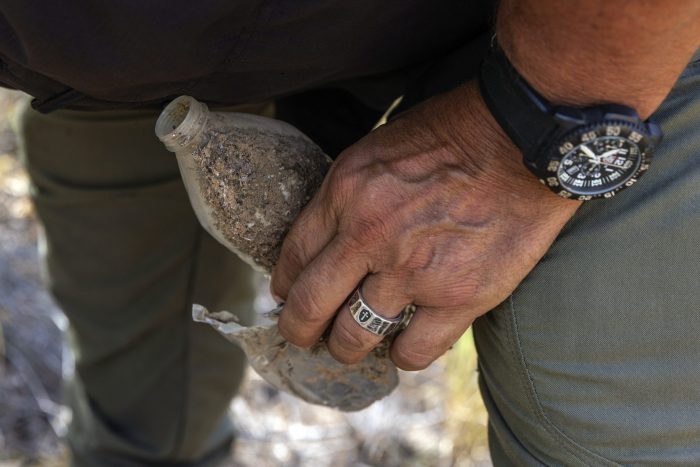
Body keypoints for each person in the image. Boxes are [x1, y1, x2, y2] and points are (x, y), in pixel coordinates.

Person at [2, 0, 699, 465]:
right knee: (141, 423)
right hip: (121, 49)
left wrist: (526, 133)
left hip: (597, 48)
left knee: (601, 423)